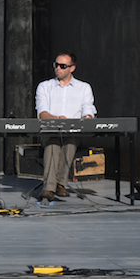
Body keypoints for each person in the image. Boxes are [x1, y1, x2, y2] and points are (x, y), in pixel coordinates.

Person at [35, 51, 96, 201]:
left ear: (72, 68)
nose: (58, 68)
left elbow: (88, 109)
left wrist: (87, 117)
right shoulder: (44, 86)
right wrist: (57, 118)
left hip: (73, 132)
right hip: (49, 131)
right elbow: (42, 113)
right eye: (56, 65)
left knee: (69, 142)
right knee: (53, 144)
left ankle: (59, 184)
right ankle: (49, 188)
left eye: (62, 66)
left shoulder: (84, 88)